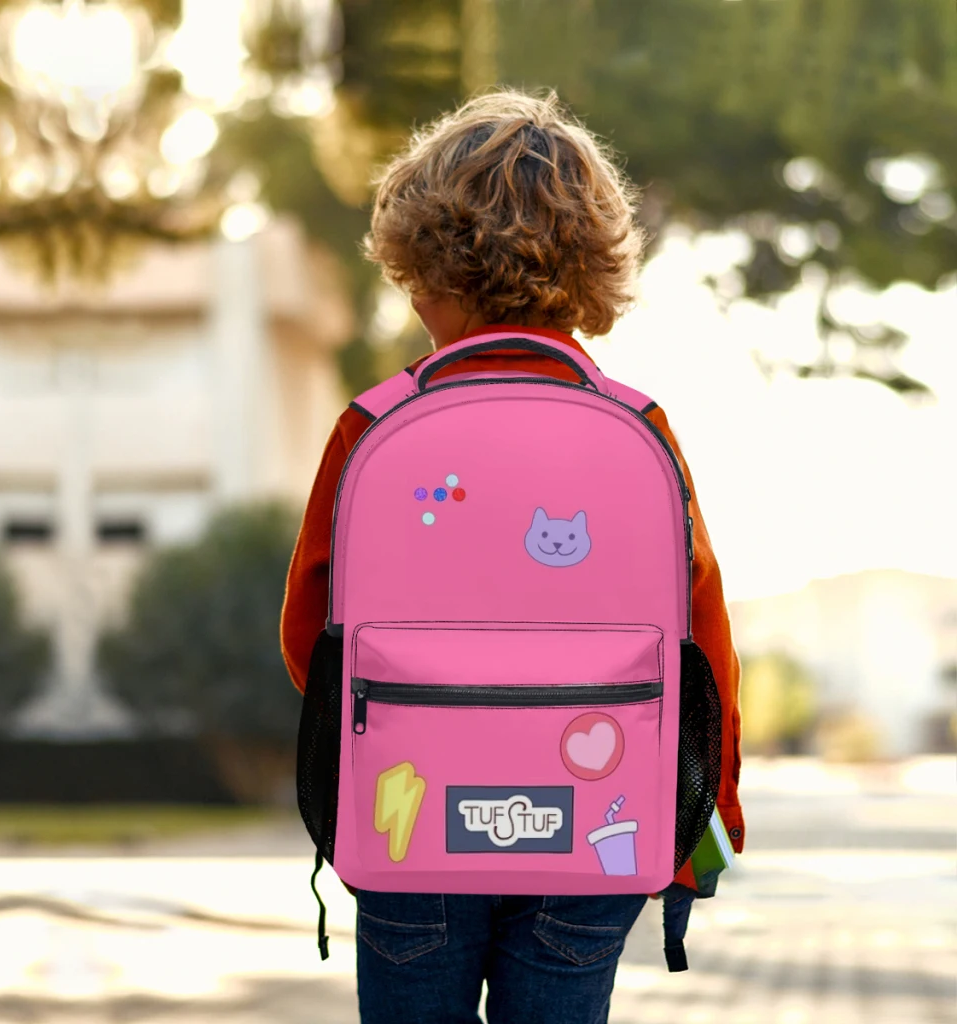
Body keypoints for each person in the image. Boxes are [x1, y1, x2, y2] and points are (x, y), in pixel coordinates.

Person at [281, 87, 743, 1024]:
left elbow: (307, 636)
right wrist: (711, 811)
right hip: (596, 823)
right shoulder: (639, 427)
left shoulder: (374, 424)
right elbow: (703, 637)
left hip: (411, 826)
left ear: (424, 268)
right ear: (593, 267)